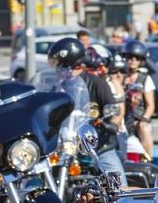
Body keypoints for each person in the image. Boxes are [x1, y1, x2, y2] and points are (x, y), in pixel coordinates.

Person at [47, 37, 124, 180]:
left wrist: (113, 123)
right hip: (66, 146)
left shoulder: (96, 82)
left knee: (118, 184)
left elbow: (115, 109)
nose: (56, 68)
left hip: (97, 146)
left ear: (68, 63)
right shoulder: (57, 87)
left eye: (58, 64)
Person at [121, 40, 156, 157]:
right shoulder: (118, 77)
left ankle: (149, 159)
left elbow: (151, 105)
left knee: (144, 129)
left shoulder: (145, 79)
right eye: (130, 57)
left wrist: (144, 119)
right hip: (121, 118)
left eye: (137, 58)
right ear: (125, 58)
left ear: (141, 61)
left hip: (138, 119)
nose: (133, 60)